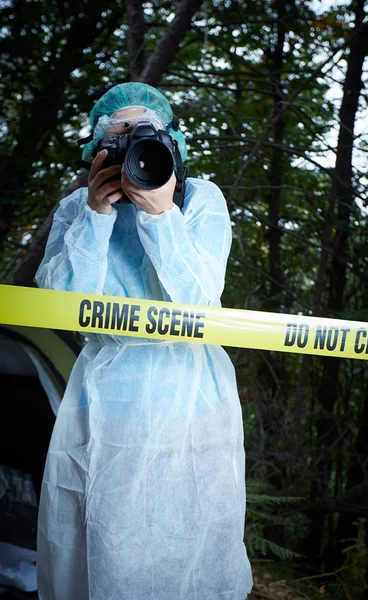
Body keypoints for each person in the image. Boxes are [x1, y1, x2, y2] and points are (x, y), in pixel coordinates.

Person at [35, 82, 253, 600]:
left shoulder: (200, 199)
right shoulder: (77, 208)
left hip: (191, 396)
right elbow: (59, 304)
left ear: (173, 138)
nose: (134, 143)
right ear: (95, 149)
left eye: (146, 133)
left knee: (191, 532)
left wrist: (161, 214)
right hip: (106, 401)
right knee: (105, 541)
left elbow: (200, 302)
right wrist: (95, 216)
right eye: (120, 134)